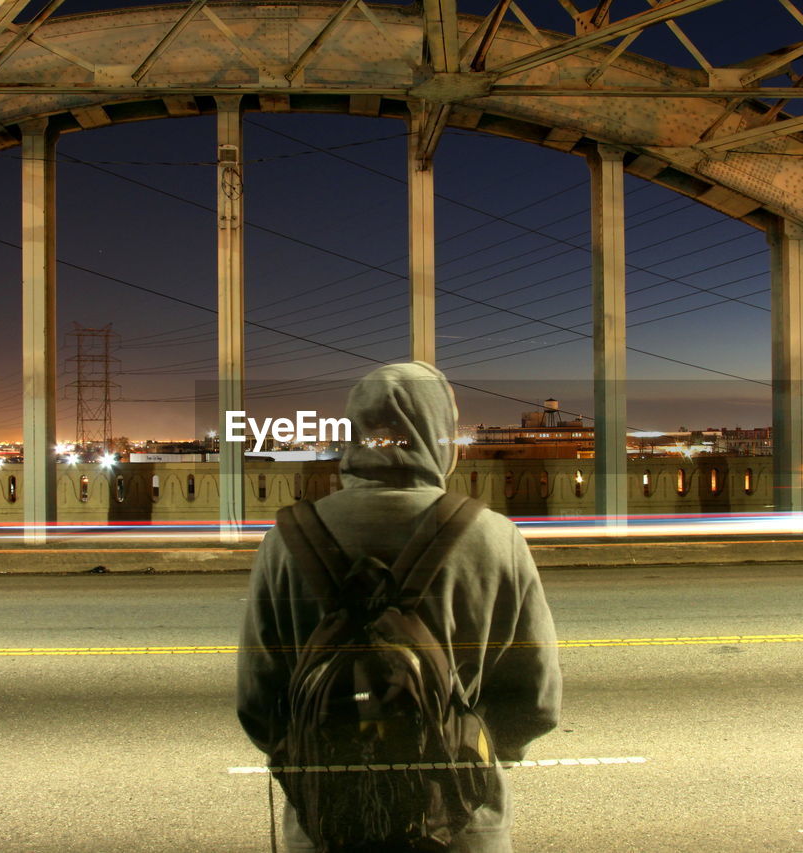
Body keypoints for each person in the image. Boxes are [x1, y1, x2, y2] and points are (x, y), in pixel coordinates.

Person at [237, 361, 562, 852]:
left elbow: (259, 704)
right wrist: (466, 758)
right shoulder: (493, 537)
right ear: (439, 433)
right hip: (459, 826)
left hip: (325, 826)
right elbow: (536, 700)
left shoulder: (287, 539)